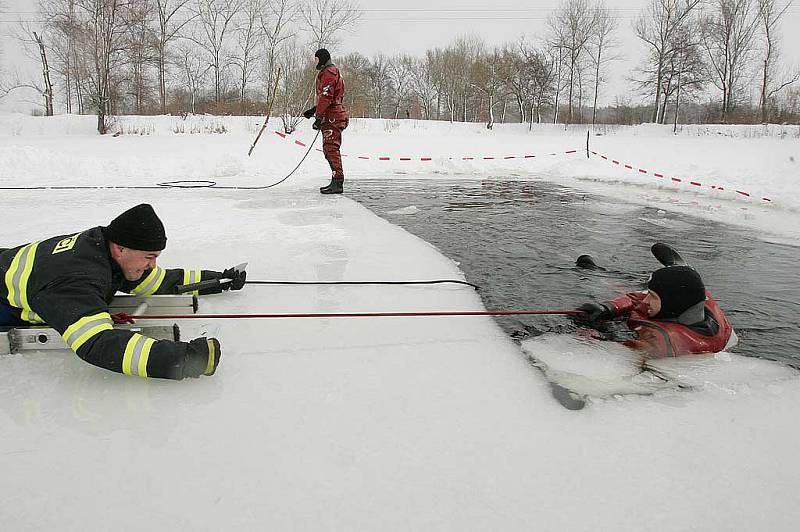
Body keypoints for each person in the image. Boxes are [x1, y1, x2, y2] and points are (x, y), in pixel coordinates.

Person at [0, 204, 246, 379]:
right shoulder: (78, 280)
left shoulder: (102, 247)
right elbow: (96, 343)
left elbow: (156, 280)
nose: (152, 265)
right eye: (149, 257)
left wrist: (215, 280)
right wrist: (185, 359)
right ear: (120, 249)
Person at [577, 264, 736, 358]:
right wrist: (609, 307)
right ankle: (595, 270)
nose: (646, 301)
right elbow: (639, 297)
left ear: (673, 303)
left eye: (652, 296)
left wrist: (589, 331)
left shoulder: (663, 343)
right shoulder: (697, 301)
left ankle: (594, 271)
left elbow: (616, 350)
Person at [302, 48, 349, 195]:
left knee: (331, 148)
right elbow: (331, 97)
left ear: (322, 59)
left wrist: (319, 117)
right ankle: (336, 180)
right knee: (329, 148)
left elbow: (326, 96)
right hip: (333, 113)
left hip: (332, 117)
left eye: (316, 59)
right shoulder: (333, 72)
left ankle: (337, 182)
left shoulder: (328, 73)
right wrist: (315, 110)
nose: (315, 62)